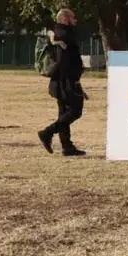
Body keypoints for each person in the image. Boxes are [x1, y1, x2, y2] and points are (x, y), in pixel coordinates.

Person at [38, 8, 86, 156]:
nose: (75, 20)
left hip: (59, 80)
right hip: (67, 80)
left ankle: (67, 146)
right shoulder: (65, 35)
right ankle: (48, 132)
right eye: (73, 18)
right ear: (65, 19)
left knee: (64, 112)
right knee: (75, 111)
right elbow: (68, 61)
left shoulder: (58, 34)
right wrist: (74, 81)